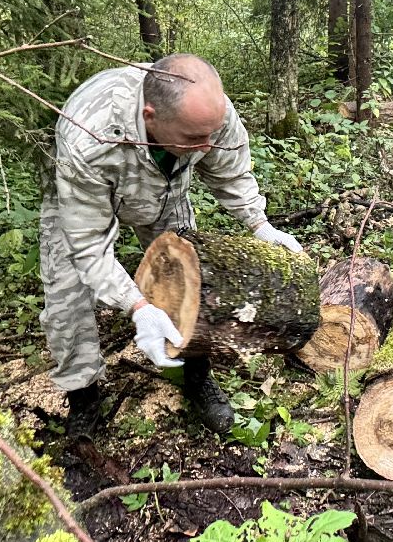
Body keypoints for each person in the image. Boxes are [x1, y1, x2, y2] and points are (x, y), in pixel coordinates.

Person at [39, 53, 304, 435]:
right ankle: (83, 394)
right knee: (67, 296)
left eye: (212, 134)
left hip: (166, 189)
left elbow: (230, 169)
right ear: (151, 116)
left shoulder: (209, 113)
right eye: (195, 138)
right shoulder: (89, 140)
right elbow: (89, 246)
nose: (207, 146)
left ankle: (196, 374)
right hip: (84, 190)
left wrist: (258, 223)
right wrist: (137, 306)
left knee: (187, 274)